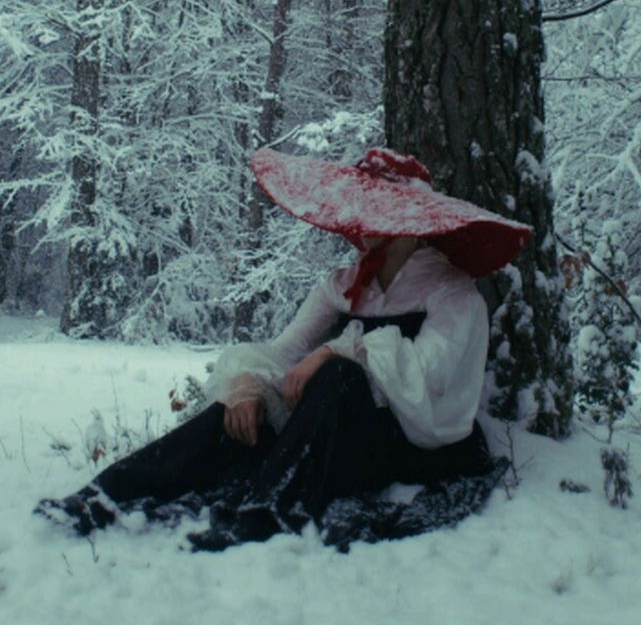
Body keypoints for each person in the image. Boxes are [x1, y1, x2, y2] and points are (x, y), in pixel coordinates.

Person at [36, 147, 530, 551]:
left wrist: (335, 354)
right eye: (362, 206)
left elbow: (430, 378)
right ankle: (106, 495)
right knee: (238, 410)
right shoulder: (341, 285)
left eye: (377, 208)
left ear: (410, 220)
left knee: (339, 378)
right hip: (330, 435)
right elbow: (285, 351)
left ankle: (264, 512)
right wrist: (248, 386)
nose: (363, 219)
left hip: (405, 447)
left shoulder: (453, 293)